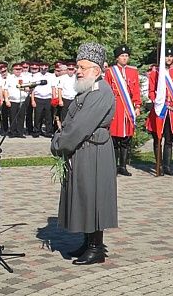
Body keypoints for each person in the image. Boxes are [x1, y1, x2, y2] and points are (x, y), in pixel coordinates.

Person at [50, 42, 117, 265]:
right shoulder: (86, 89)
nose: (77, 71)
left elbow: (80, 126)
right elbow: (71, 121)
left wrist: (59, 144)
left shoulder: (101, 91)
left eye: (82, 67)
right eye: (77, 66)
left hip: (94, 151)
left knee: (93, 196)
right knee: (84, 196)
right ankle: (88, 242)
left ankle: (96, 248)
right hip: (83, 150)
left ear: (96, 70)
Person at [104, 45, 142, 176]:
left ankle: (123, 166)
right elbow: (107, 90)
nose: (125, 58)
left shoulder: (133, 72)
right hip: (116, 108)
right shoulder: (110, 72)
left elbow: (136, 90)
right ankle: (113, 166)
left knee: (126, 139)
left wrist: (137, 106)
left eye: (126, 56)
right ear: (117, 58)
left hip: (128, 109)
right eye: (122, 56)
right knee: (114, 138)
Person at [146, 49, 173, 176]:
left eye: (170, 56)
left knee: (169, 139)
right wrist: (156, 102)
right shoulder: (155, 74)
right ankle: (159, 165)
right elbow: (151, 91)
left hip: (171, 111)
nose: (168, 58)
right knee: (158, 138)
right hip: (159, 110)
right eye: (166, 56)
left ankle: (167, 166)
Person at [3, 63, 31, 138]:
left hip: (22, 100)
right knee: (12, 117)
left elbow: (29, 88)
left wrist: (25, 88)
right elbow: (5, 89)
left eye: (19, 69)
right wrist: (6, 100)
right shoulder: (10, 78)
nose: (18, 71)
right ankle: (12, 132)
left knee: (21, 117)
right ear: (13, 70)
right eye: (16, 69)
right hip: (13, 100)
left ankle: (20, 132)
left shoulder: (26, 78)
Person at [31, 62, 57, 138]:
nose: (44, 69)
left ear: (48, 68)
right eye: (42, 67)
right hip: (38, 98)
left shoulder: (51, 76)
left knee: (49, 116)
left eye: (45, 68)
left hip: (48, 98)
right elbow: (32, 88)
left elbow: (53, 88)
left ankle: (48, 132)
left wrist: (54, 99)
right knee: (37, 116)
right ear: (40, 67)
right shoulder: (35, 76)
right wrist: (32, 100)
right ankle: (36, 131)